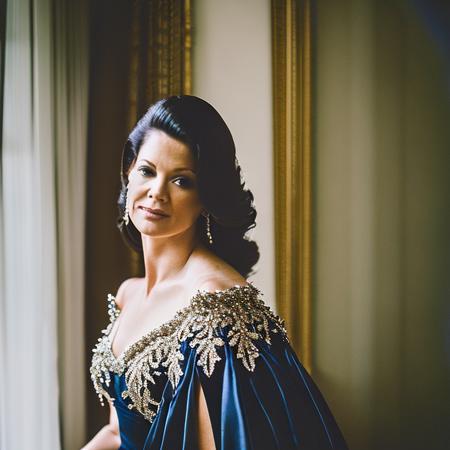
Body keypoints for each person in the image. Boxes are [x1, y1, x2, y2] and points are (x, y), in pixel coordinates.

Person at [83, 95, 348, 450]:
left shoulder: (216, 305)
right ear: (128, 172)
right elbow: (118, 433)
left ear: (206, 196)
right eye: (147, 171)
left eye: (181, 181)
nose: (156, 192)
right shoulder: (128, 293)